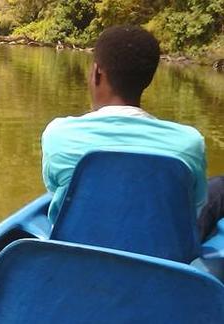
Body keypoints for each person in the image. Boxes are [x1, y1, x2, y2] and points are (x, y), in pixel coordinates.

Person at [41, 25, 223, 240]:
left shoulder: (59, 134)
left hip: (76, 257)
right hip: (159, 262)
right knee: (219, 187)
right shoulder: (189, 142)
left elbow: (54, 191)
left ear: (97, 72)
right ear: (149, 79)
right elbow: (195, 208)